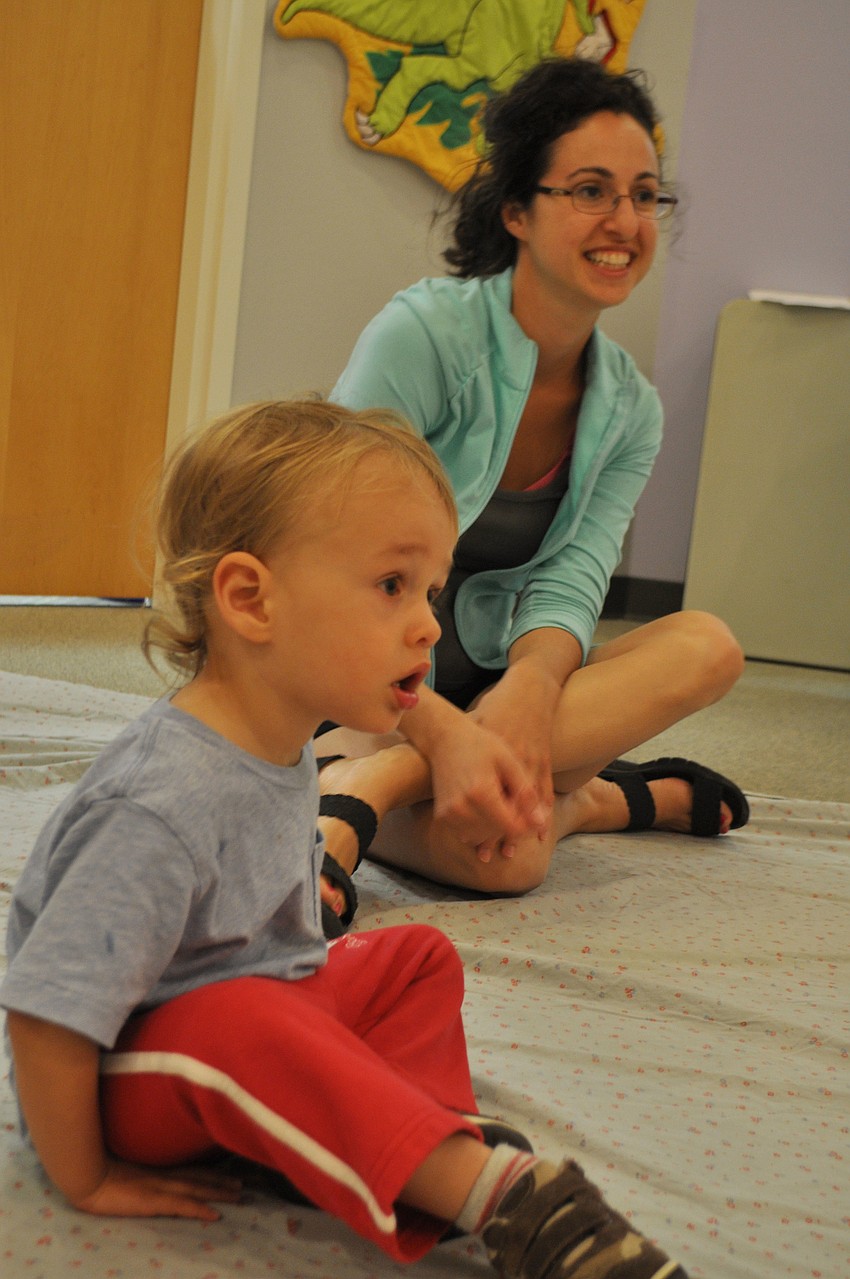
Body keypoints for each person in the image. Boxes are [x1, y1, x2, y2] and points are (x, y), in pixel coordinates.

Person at [0, 400, 689, 1279]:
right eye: (393, 586)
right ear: (251, 599)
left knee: (415, 958)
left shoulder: (279, 745)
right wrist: (85, 1175)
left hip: (260, 1008)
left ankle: (417, 1149)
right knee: (241, 1019)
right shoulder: (156, 803)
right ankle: (501, 1194)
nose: (430, 625)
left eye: (431, 592)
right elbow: (47, 1010)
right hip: (138, 1077)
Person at [315, 56, 749, 922]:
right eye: (590, 190)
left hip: (489, 689)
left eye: (644, 194)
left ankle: (360, 793)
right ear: (517, 209)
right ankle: (596, 797)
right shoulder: (424, 335)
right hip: (353, 675)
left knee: (708, 646)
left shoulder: (632, 408)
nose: (624, 221)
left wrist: (531, 687)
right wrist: (440, 731)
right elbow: (327, 551)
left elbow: (575, 576)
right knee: (510, 859)